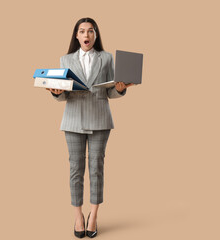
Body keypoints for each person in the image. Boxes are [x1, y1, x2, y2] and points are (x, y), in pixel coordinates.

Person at [46, 17, 133, 238]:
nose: (86, 35)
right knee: (75, 169)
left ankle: (93, 215)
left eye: (91, 31)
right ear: (76, 35)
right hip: (73, 120)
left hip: (100, 120)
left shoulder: (106, 58)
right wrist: (57, 93)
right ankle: (78, 216)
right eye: (82, 31)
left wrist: (121, 89)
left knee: (96, 168)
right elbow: (64, 92)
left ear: (96, 35)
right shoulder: (65, 59)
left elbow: (110, 92)